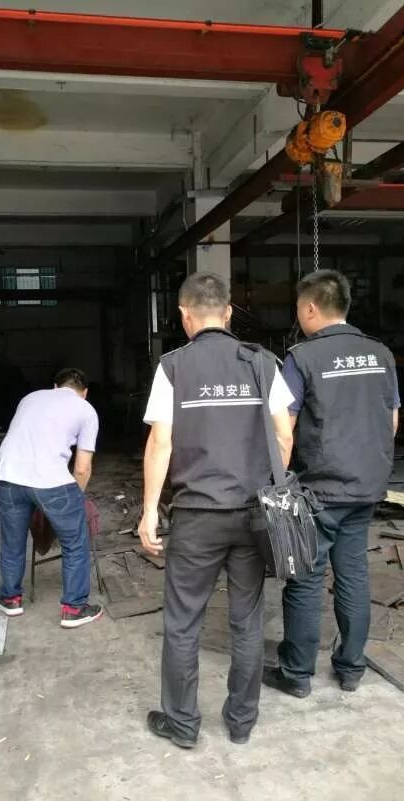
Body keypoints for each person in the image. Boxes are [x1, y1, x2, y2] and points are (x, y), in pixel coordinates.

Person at [138, 271, 294, 749]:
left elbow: (160, 443)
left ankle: (183, 724)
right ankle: (241, 721)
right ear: (228, 314)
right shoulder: (263, 362)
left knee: (183, 622)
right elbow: (285, 435)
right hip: (252, 515)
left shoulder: (173, 367)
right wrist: (266, 486)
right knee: (247, 620)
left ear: (184, 316)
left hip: (196, 517)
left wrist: (148, 511)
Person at [263, 269, 400, 698]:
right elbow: (392, 421)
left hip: (319, 489)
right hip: (367, 484)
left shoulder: (302, 358)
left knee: (305, 578)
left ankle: (297, 674)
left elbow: (283, 430)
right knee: (353, 573)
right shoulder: (381, 353)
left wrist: (276, 482)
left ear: (309, 308)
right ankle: (351, 668)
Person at [0, 367, 103, 628]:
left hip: (7, 475)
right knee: (75, 542)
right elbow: (82, 468)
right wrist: (75, 500)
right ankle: (74, 609)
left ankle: (10, 599)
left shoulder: (29, 398)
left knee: (12, 540)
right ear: (84, 393)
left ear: (55, 386)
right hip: (51, 481)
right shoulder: (86, 410)